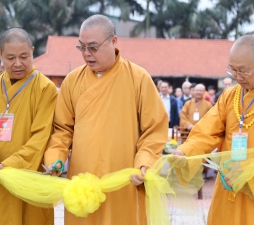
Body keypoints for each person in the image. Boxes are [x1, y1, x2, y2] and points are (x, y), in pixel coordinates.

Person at [44, 14, 168, 224]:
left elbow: (154, 130)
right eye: (81, 47)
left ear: (113, 41)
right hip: (83, 183)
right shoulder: (72, 81)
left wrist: (145, 162)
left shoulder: (138, 78)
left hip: (125, 178)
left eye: (93, 47)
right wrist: (55, 157)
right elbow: (62, 129)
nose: (86, 54)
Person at [173, 35, 254, 225]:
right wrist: (186, 151)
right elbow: (207, 131)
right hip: (229, 187)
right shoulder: (229, 96)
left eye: (243, 71)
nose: (237, 77)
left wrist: (250, 173)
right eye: (232, 70)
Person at [0, 27, 56, 225]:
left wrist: (9, 166)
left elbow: (41, 137)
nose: (18, 63)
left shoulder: (45, 89)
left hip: (28, 178)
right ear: (1, 56)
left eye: (24, 56)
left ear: (33, 51)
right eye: (11, 57)